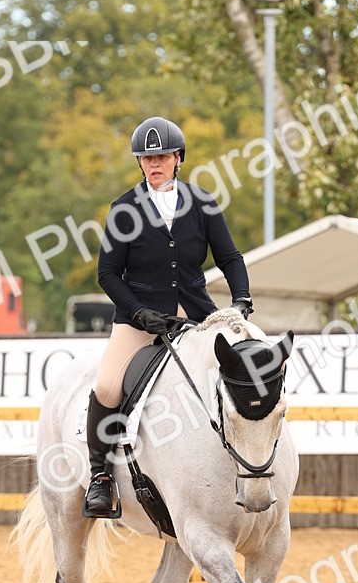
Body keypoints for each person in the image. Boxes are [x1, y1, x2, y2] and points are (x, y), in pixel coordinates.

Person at [83, 115, 254, 517]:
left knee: (239, 372)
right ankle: (101, 478)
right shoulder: (124, 209)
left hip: (197, 315)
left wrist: (241, 299)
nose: (154, 164)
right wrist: (138, 313)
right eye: (146, 158)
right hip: (139, 319)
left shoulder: (203, 203)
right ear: (139, 163)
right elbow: (107, 273)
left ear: (178, 158)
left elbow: (229, 257)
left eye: (162, 156)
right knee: (108, 386)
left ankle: (246, 464)